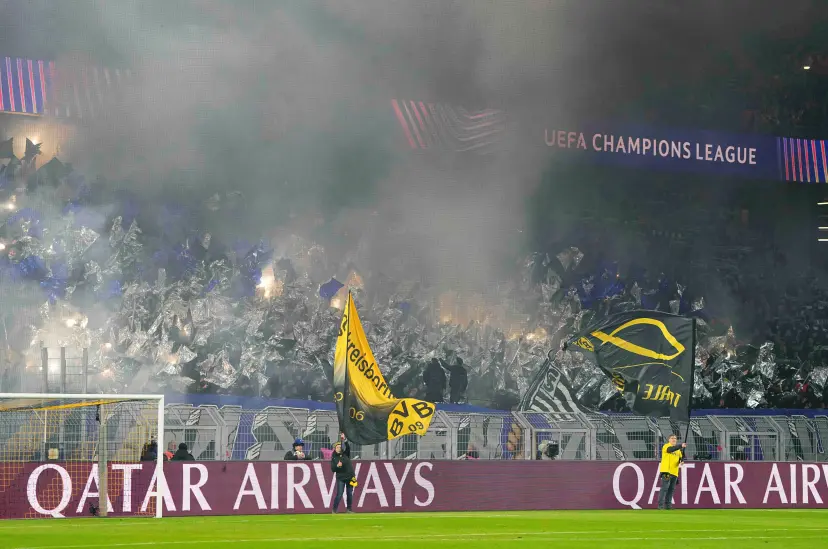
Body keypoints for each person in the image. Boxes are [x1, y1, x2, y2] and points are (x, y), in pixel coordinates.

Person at [658, 434, 686, 510]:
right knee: (664, 488)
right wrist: (681, 445)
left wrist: (682, 461)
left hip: (675, 472)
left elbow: (681, 457)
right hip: (666, 471)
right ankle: (660, 506)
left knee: (671, 489)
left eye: (675, 438)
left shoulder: (678, 450)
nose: (674, 439)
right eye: (672, 438)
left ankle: (668, 505)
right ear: (669, 440)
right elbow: (670, 450)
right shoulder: (666, 446)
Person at [331, 432, 356, 514]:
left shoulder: (345, 454)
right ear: (334, 449)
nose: (339, 448)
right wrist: (337, 466)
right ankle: (334, 510)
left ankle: (349, 509)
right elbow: (333, 469)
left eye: (339, 447)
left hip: (350, 476)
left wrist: (344, 440)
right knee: (340, 494)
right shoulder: (334, 458)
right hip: (341, 477)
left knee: (349, 493)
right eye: (337, 447)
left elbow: (348, 447)